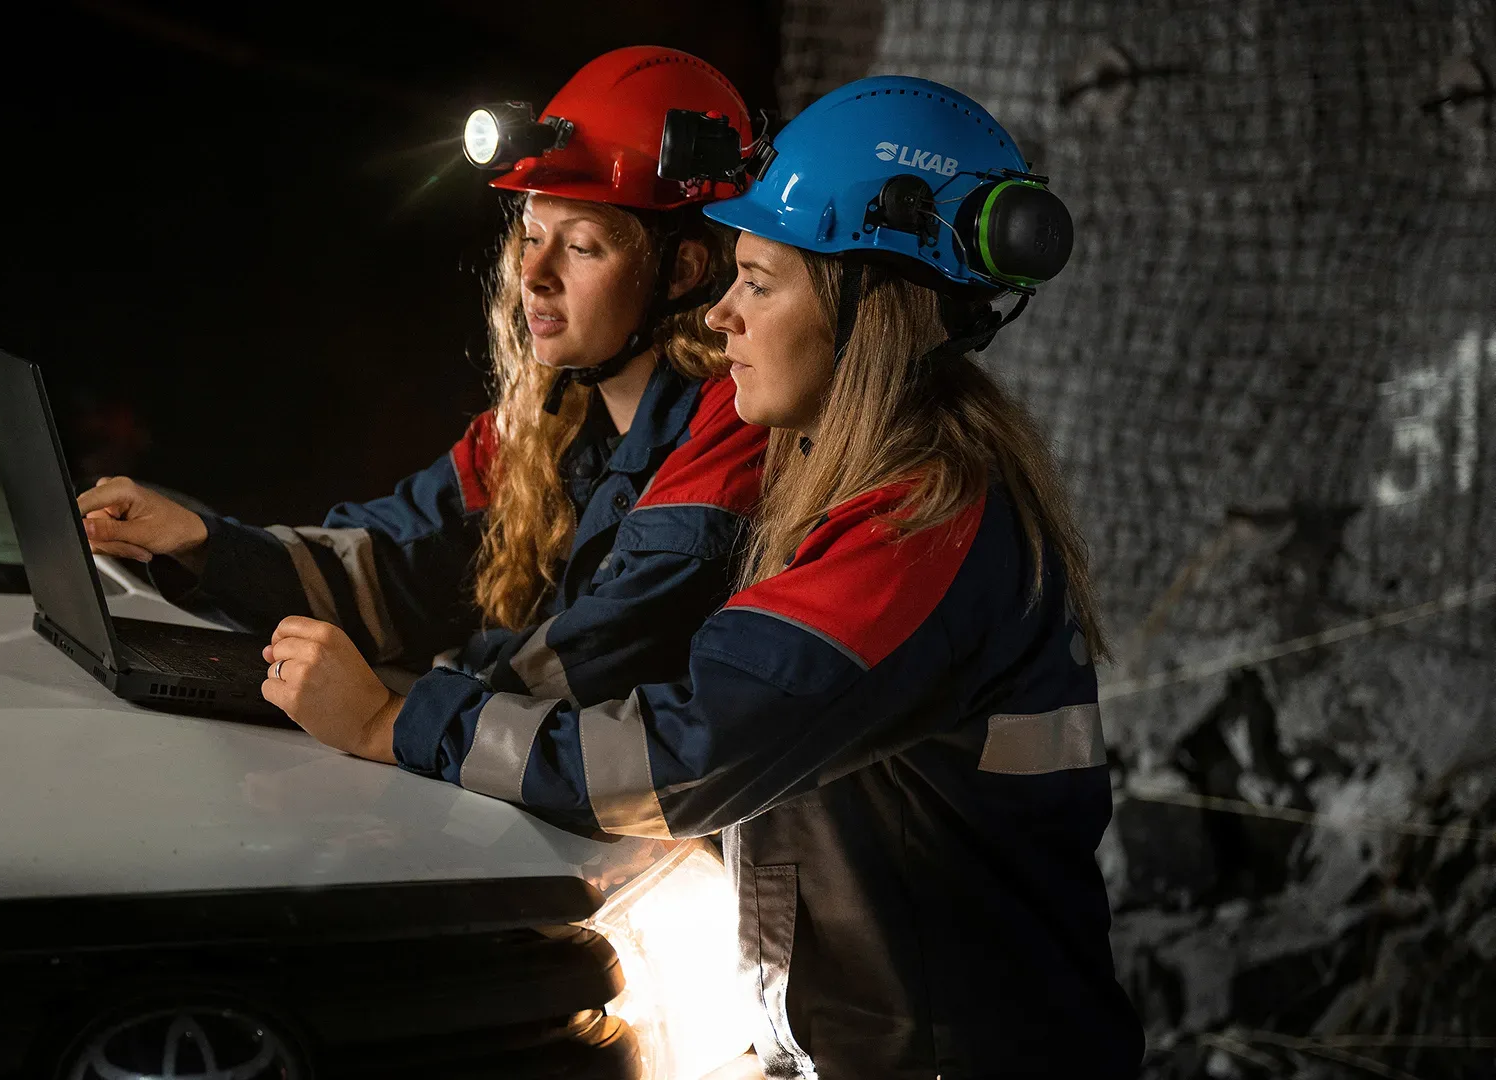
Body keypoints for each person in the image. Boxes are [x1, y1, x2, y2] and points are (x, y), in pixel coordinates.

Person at [266, 76, 1144, 1078]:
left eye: (761, 283)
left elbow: (683, 753)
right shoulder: (861, 489)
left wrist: (394, 722)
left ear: (873, 313)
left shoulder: (924, 522)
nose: (721, 315)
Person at [79, 47, 766, 723]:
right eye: (530, 236)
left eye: (581, 246)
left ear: (681, 271)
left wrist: (398, 706)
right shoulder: (541, 424)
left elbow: (594, 659)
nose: (535, 274)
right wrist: (200, 543)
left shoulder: (731, 433)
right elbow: (391, 566)